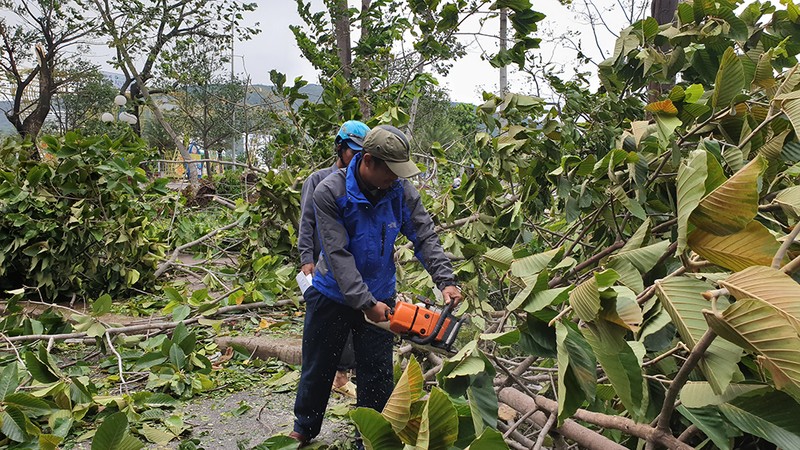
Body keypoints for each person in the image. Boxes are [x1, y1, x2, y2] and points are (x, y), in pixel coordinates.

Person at [290, 125, 463, 447]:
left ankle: (368, 439)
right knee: (318, 366)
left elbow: (423, 235)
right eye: (392, 171)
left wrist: (446, 280)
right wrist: (366, 303)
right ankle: (304, 428)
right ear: (368, 160)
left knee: (377, 374)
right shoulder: (329, 191)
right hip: (332, 294)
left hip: (381, 292)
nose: (396, 178)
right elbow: (337, 254)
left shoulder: (400, 191)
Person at [298, 120, 369, 391]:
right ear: (339, 149)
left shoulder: (363, 184)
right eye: (353, 152)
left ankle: (345, 371)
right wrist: (307, 259)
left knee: (354, 319)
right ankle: (323, 375)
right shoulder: (317, 181)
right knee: (321, 323)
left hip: (350, 265)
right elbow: (307, 223)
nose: (357, 159)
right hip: (321, 267)